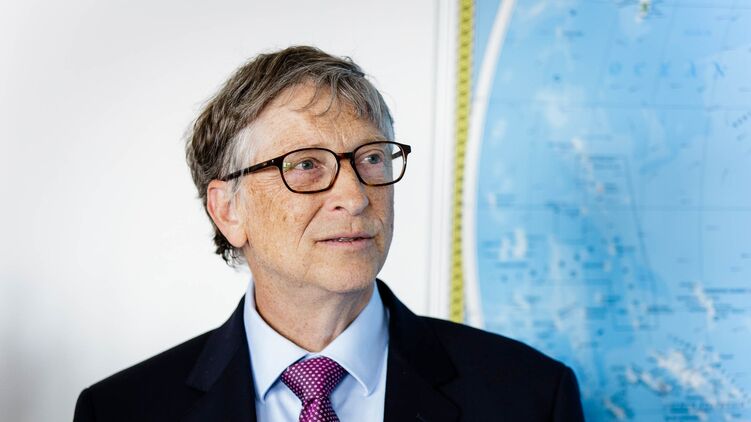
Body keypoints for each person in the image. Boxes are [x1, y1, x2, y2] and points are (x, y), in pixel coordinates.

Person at [73, 46, 584, 421]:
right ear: (228, 210)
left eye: (372, 158)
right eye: (306, 165)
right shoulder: (121, 410)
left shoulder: (531, 396)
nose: (355, 196)